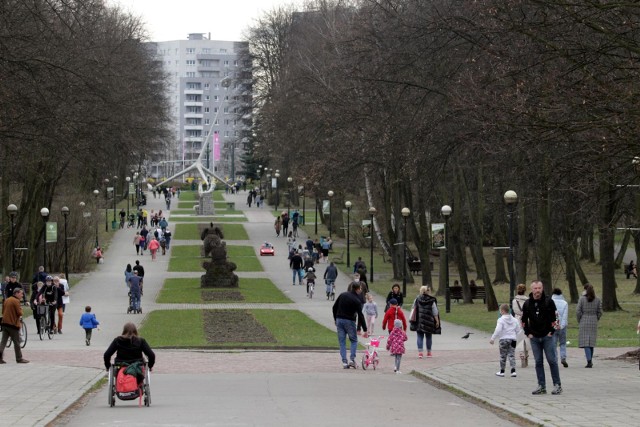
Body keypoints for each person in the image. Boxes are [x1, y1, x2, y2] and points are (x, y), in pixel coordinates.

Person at [521, 280, 562, 395]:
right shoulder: (527, 304)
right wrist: (527, 332)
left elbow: (556, 317)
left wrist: (552, 331)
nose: (537, 290)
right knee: (538, 362)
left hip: (547, 336)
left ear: (542, 288)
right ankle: (541, 385)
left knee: (552, 360)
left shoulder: (549, 302)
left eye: (539, 288)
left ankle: (557, 385)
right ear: (531, 289)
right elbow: (523, 320)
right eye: (535, 288)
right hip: (534, 337)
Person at [332, 282, 367, 368]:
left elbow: (334, 307)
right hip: (350, 321)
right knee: (354, 340)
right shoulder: (357, 300)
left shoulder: (342, 295)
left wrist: (335, 318)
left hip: (339, 320)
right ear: (357, 289)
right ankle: (352, 359)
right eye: (360, 289)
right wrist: (365, 329)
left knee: (342, 342)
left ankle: (344, 362)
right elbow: (360, 315)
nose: (361, 290)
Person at [490, 303, 520, 377]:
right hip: (513, 339)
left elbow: (498, 330)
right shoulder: (514, 320)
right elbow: (518, 329)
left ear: (503, 311)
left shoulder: (501, 320)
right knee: (511, 355)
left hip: (503, 339)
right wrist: (514, 335)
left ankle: (502, 371)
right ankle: (513, 371)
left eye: (500, 310)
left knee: (503, 356)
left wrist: (493, 338)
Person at [0, 288, 29, 364]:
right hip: (13, 324)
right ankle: (19, 358)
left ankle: (0, 358)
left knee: (3, 342)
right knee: (16, 342)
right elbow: (20, 313)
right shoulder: (16, 301)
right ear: (16, 293)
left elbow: (3, 311)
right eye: (21, 293)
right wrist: (21, 309)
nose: (22, 295)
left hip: (4, 323)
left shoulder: (7, 300)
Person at [577, 284, 603, 368]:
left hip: (584, 320)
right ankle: (590, 359)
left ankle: (589, 361)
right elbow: (600, 311)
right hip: (593, 320)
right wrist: (596, 318)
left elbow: (578, 311)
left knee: (586, 342)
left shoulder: (582, 299)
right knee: (591, 342)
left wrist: (579, 319)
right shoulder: (598, 299)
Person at [411, 286, 439, 358]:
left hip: (419, 321)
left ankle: (420, 353)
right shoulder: (431, 300)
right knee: (429, 337)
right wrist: (437, 321)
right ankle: (429, 352)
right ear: (428, 291)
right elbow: (435, 312)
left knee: (419, 336)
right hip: (429, 321)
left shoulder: (417, 299)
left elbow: (413, 308)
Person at [512, 283, 530, 366]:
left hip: (517, 320)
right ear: (525, 290)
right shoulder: (528, 300)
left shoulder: (514, 301)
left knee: (519, 338)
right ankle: (526, 354)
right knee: (526, 337)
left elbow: (514, 311)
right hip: (527, 320)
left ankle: (521, 354)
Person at [551, 288, 569, 368]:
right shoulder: (565, 303)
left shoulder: (550, 302)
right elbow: (565, 316)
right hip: (562, 326)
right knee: (563, 343)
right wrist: (562, 325)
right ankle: (563, 357)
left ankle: (555, 359)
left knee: (553, 344)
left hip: (553, 326)